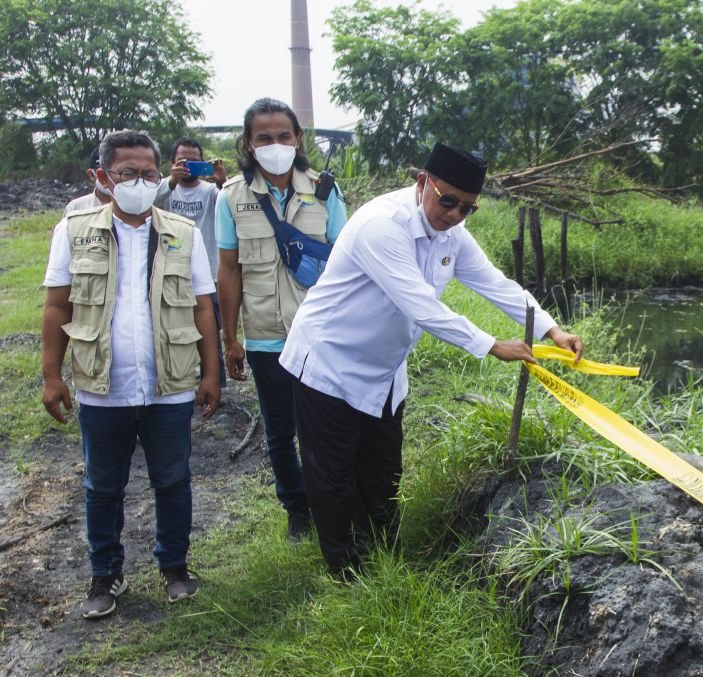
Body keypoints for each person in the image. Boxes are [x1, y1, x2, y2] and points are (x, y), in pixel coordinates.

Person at [279, 142, 583, 576]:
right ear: (422, 182)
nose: (456, 215)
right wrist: (492, 345)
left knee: (383, 472)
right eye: (448, 202)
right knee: (332, 476)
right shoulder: (381, 226)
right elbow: (421, 306)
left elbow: (495, 284)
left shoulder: (452, 233)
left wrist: (551, 329)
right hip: (330, 361)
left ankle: (382, 558)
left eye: (467, 208)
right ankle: (344, 573)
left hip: (383, 370)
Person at [40, 130, 220, 619]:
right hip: (102, 386)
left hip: (170, 384)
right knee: (103, 485)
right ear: (103, 177)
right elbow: (57, 307)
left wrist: (212, 371)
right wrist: (51, 376)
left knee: (173, 479)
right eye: (126, 174)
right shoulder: (74, 230)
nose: (138, 182)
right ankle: (105, 574)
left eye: (147, 173)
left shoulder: (181, 233)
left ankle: (175, 568)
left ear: (159, 175)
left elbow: (204, 306)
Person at [216, 98, 347, 539]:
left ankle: (328, 501)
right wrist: (230, 337)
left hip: (318, 336)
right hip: (265, 336)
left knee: (322, 426)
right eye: (264, 137)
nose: (275, 144)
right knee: (279, 430)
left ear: (298, 139)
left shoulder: (324, 191)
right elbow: (229, 269)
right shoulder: (231, 196)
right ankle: (296, 509)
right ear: (249, 145)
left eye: (283, 136)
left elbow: (346, 264)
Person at [165, 136, 227, 386]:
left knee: (210, 331)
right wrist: (171, 180)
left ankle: (215, 381)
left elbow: (230, 205)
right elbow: (150, 205)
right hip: (173, 272)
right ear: (172, 162)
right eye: (183, 160)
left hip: (209, 273)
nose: (189, 165)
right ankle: (178, 380)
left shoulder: (211, 192)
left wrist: (222, 181)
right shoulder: (165, 189)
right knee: (173, 330)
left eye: (195, 161)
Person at [63, 147, 108, 214]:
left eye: (119, 172)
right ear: (92, 175)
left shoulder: (128, 207)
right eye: (104, 174)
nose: (111, 178)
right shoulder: (75, 208)